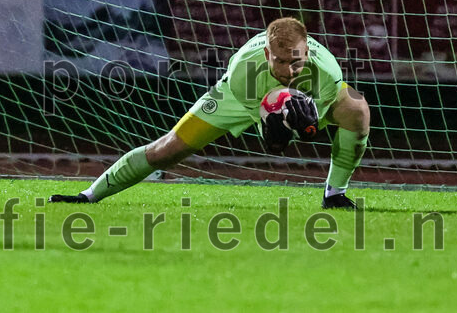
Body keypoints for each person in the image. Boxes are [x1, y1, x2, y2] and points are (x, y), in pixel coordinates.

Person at [50, 17, 371, 209]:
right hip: (234, 97)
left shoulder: (326, 72)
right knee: (167, 150)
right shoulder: (244, 71)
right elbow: (273, 141)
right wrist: (281, 127)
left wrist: (306, 126)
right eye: (281, 61)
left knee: (357, 109)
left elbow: (308, 129)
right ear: (267, 53)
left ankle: (334, 194)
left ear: (307, 52)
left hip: (299, 95)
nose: (289, 70)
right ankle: (88, 195)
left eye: (296, 61)